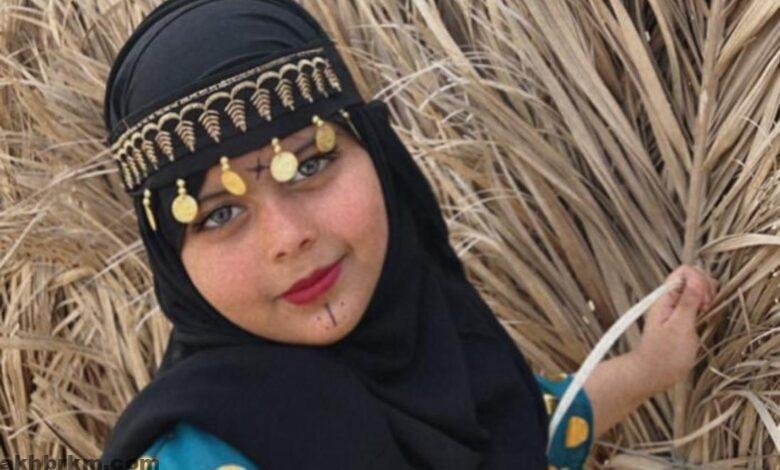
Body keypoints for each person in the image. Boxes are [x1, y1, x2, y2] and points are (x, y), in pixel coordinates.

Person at [99, 1, 718, 469]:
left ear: (382, 160)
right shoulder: (198, 455)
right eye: (218, 215)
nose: (287, 238)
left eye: (310, 165)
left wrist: (649, 368)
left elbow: (527, 428)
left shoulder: (439, 363)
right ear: (173, 261)